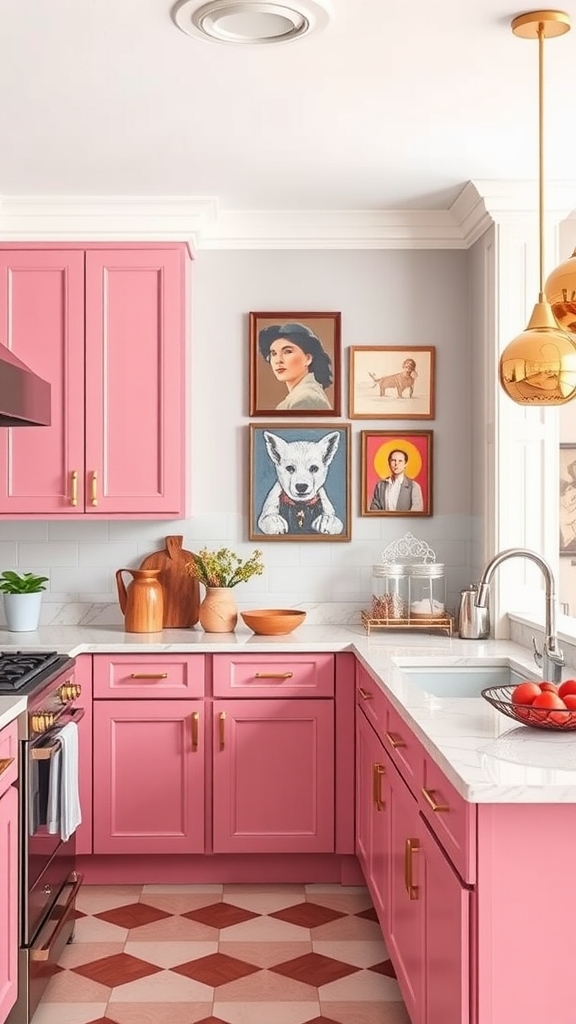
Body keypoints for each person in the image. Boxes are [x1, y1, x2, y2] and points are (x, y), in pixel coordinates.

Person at [258, 322, 333, 410]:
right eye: (274, 353)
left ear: (308, 359)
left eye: (288, 351)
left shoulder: (305, 399)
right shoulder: (300, 396)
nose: (278, 360)